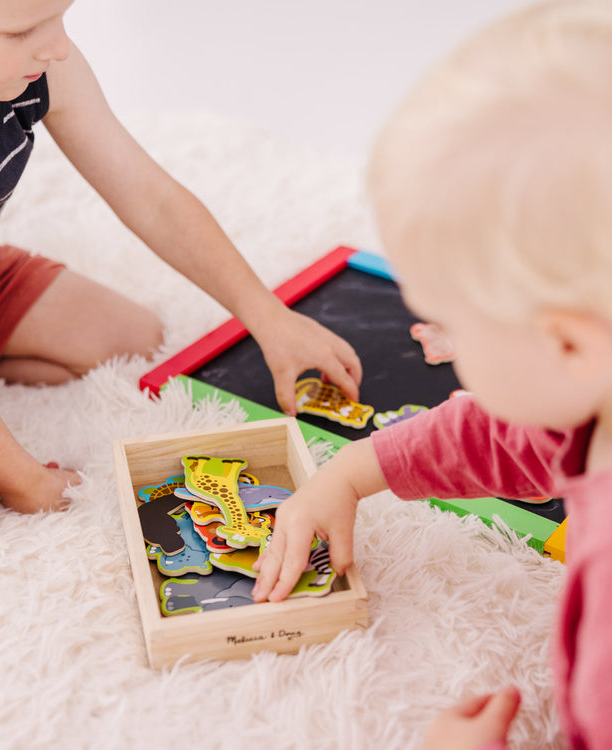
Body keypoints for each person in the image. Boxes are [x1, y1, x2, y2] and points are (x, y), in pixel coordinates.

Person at [0, 0, 362, 537]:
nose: (57, 44)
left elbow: (151, 197)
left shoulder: (39, 63)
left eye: (62, 15)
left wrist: (271, 319)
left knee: (134, 338)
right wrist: (21, 477)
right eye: (21, 30)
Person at [252, 1, 612, 748]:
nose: (436, 348)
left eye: (454, 325)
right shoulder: (590, 388)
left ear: (568, 345)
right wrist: (351, 470)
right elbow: (514, 431)